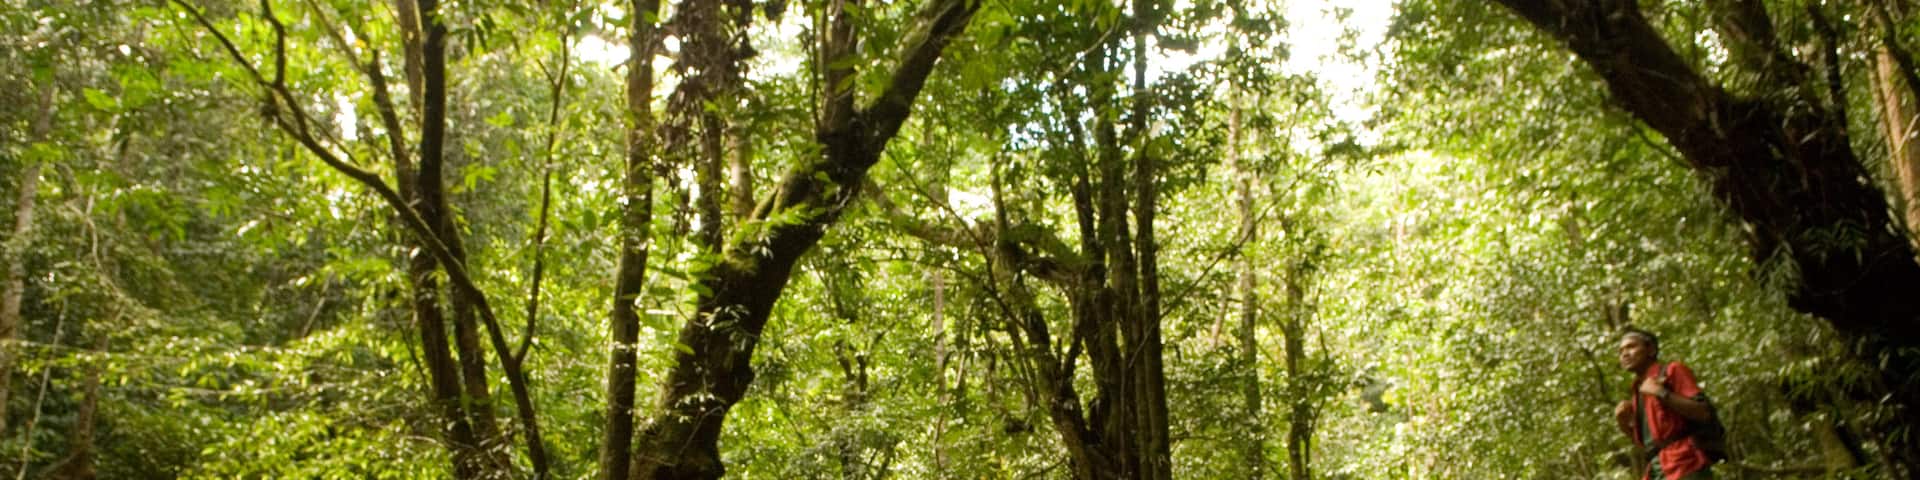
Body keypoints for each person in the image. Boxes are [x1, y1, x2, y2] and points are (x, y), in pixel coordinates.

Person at [1612, 327, 1715, 480]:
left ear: (1651, 350)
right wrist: (1623, 423)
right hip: (1657, 470)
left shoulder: (1672, 371)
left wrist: (1662, 393)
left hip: (1685, 464)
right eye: (1621, 351)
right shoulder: (1637, 391)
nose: (1625, 354)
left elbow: (1703, 413)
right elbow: (1647, 444)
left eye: (1631, 347)